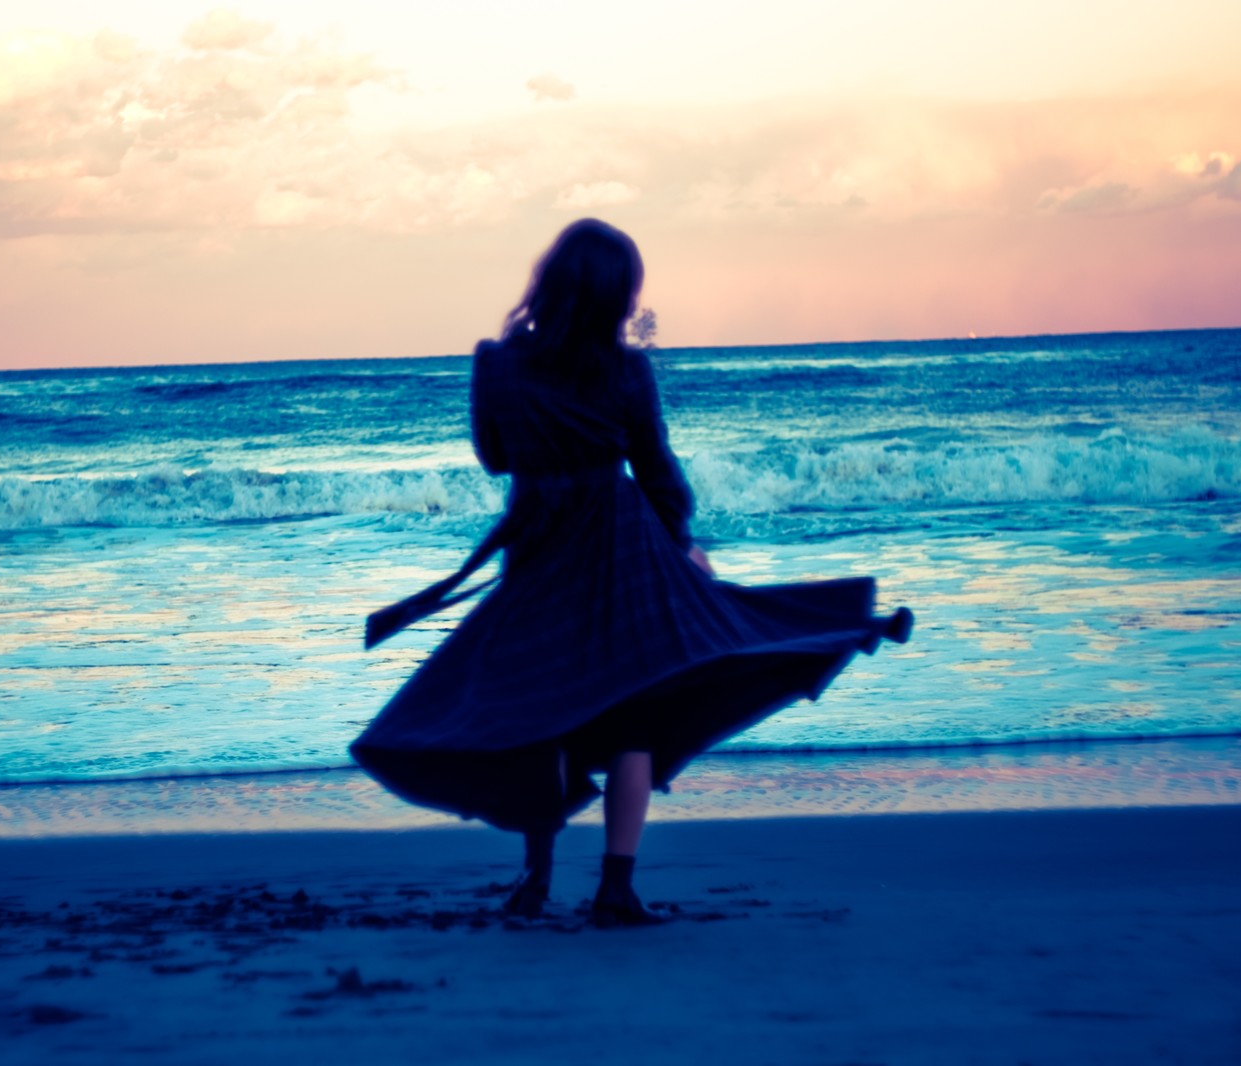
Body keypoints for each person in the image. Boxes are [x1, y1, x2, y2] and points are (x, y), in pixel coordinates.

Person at [351, 219, 912, 927]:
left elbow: (495, 459)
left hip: (541, 544)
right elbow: (654, 469)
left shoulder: (497, 365)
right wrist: (683, 540)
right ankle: (615, 888)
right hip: (622, 547)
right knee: (634, 717)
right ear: (616, 298)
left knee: (540, 709)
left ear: (550, 282)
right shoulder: (625, 372)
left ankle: (535, 879)